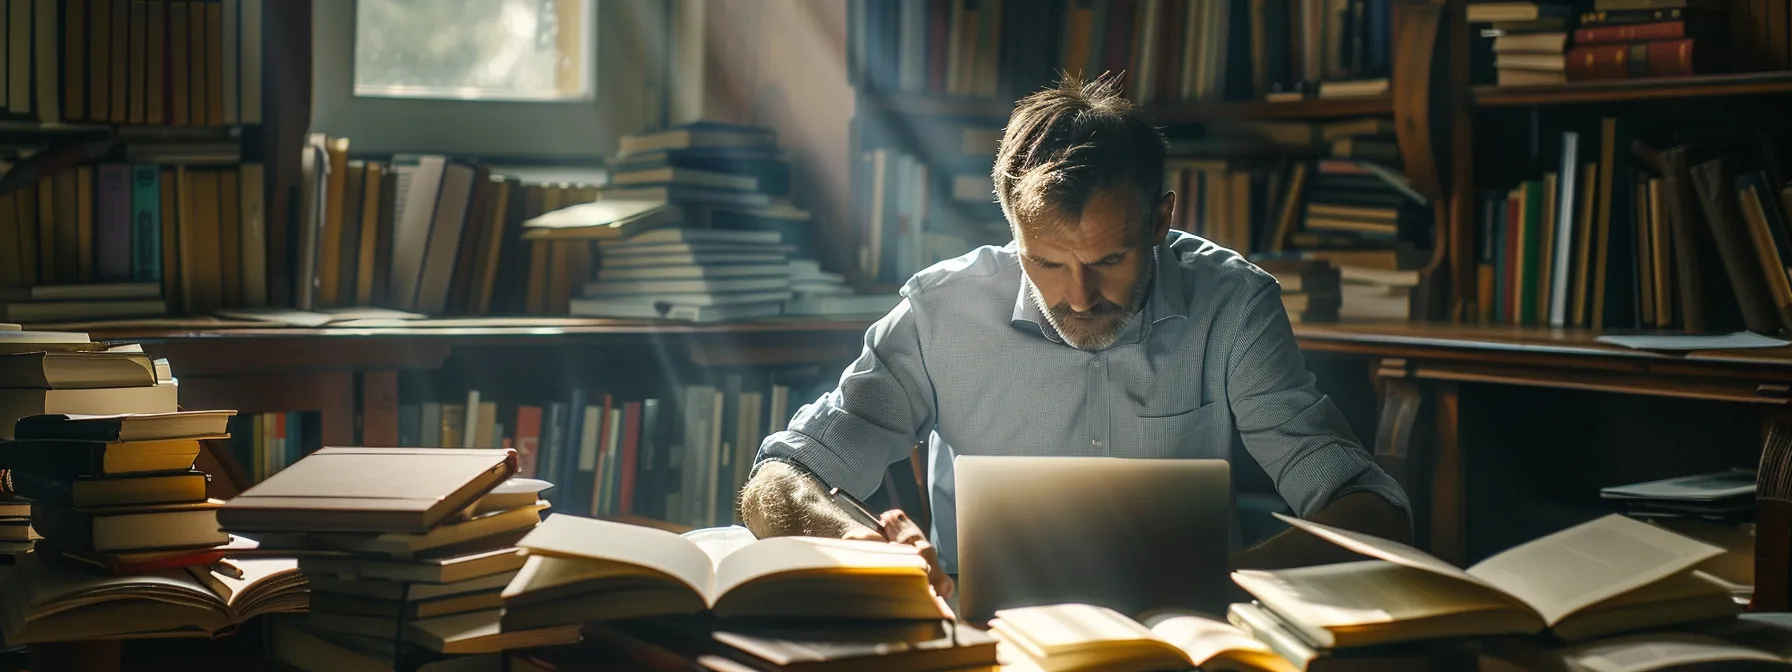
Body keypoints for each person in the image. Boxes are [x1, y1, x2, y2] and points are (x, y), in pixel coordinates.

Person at [739, 74, 1411, 599]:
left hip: (1189, 639)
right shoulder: (941, 312)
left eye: (1108, 261)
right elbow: (777, 482)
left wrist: (1232, 583)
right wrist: (866, 547)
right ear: (1012, 228)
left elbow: (1374, 508)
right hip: (988, 643)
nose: (1079, 298)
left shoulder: (1233, 306)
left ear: (1160, 221)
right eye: (1047, 263)